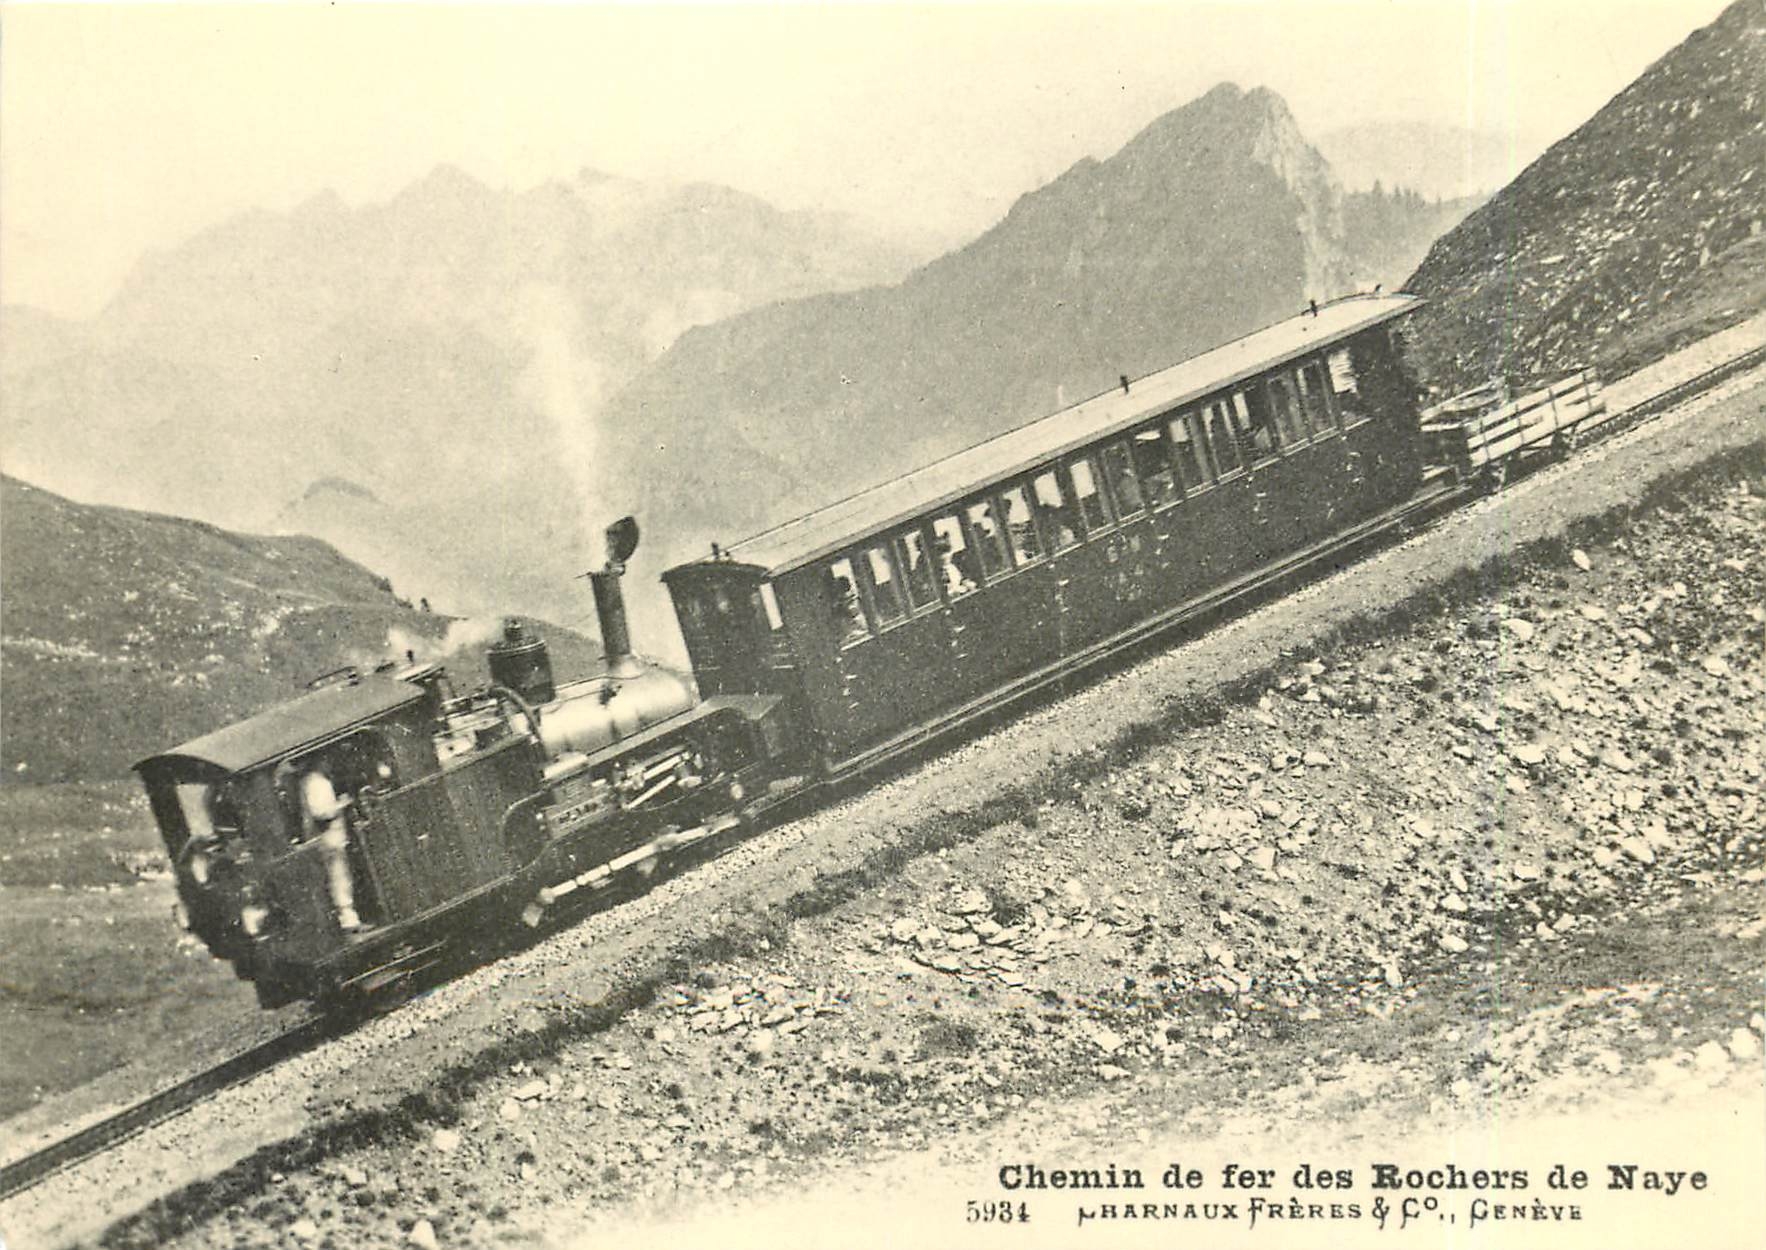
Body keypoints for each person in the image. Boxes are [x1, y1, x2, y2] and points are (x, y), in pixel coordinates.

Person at [302, 762, 362, 933]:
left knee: (339, 877)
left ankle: (348, 918)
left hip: (329, 837)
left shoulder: (309, 781)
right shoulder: (317, 782)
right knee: (339, 877)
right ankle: (349, 920)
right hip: (330, 837)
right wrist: (342, 804)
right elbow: (322, 812)